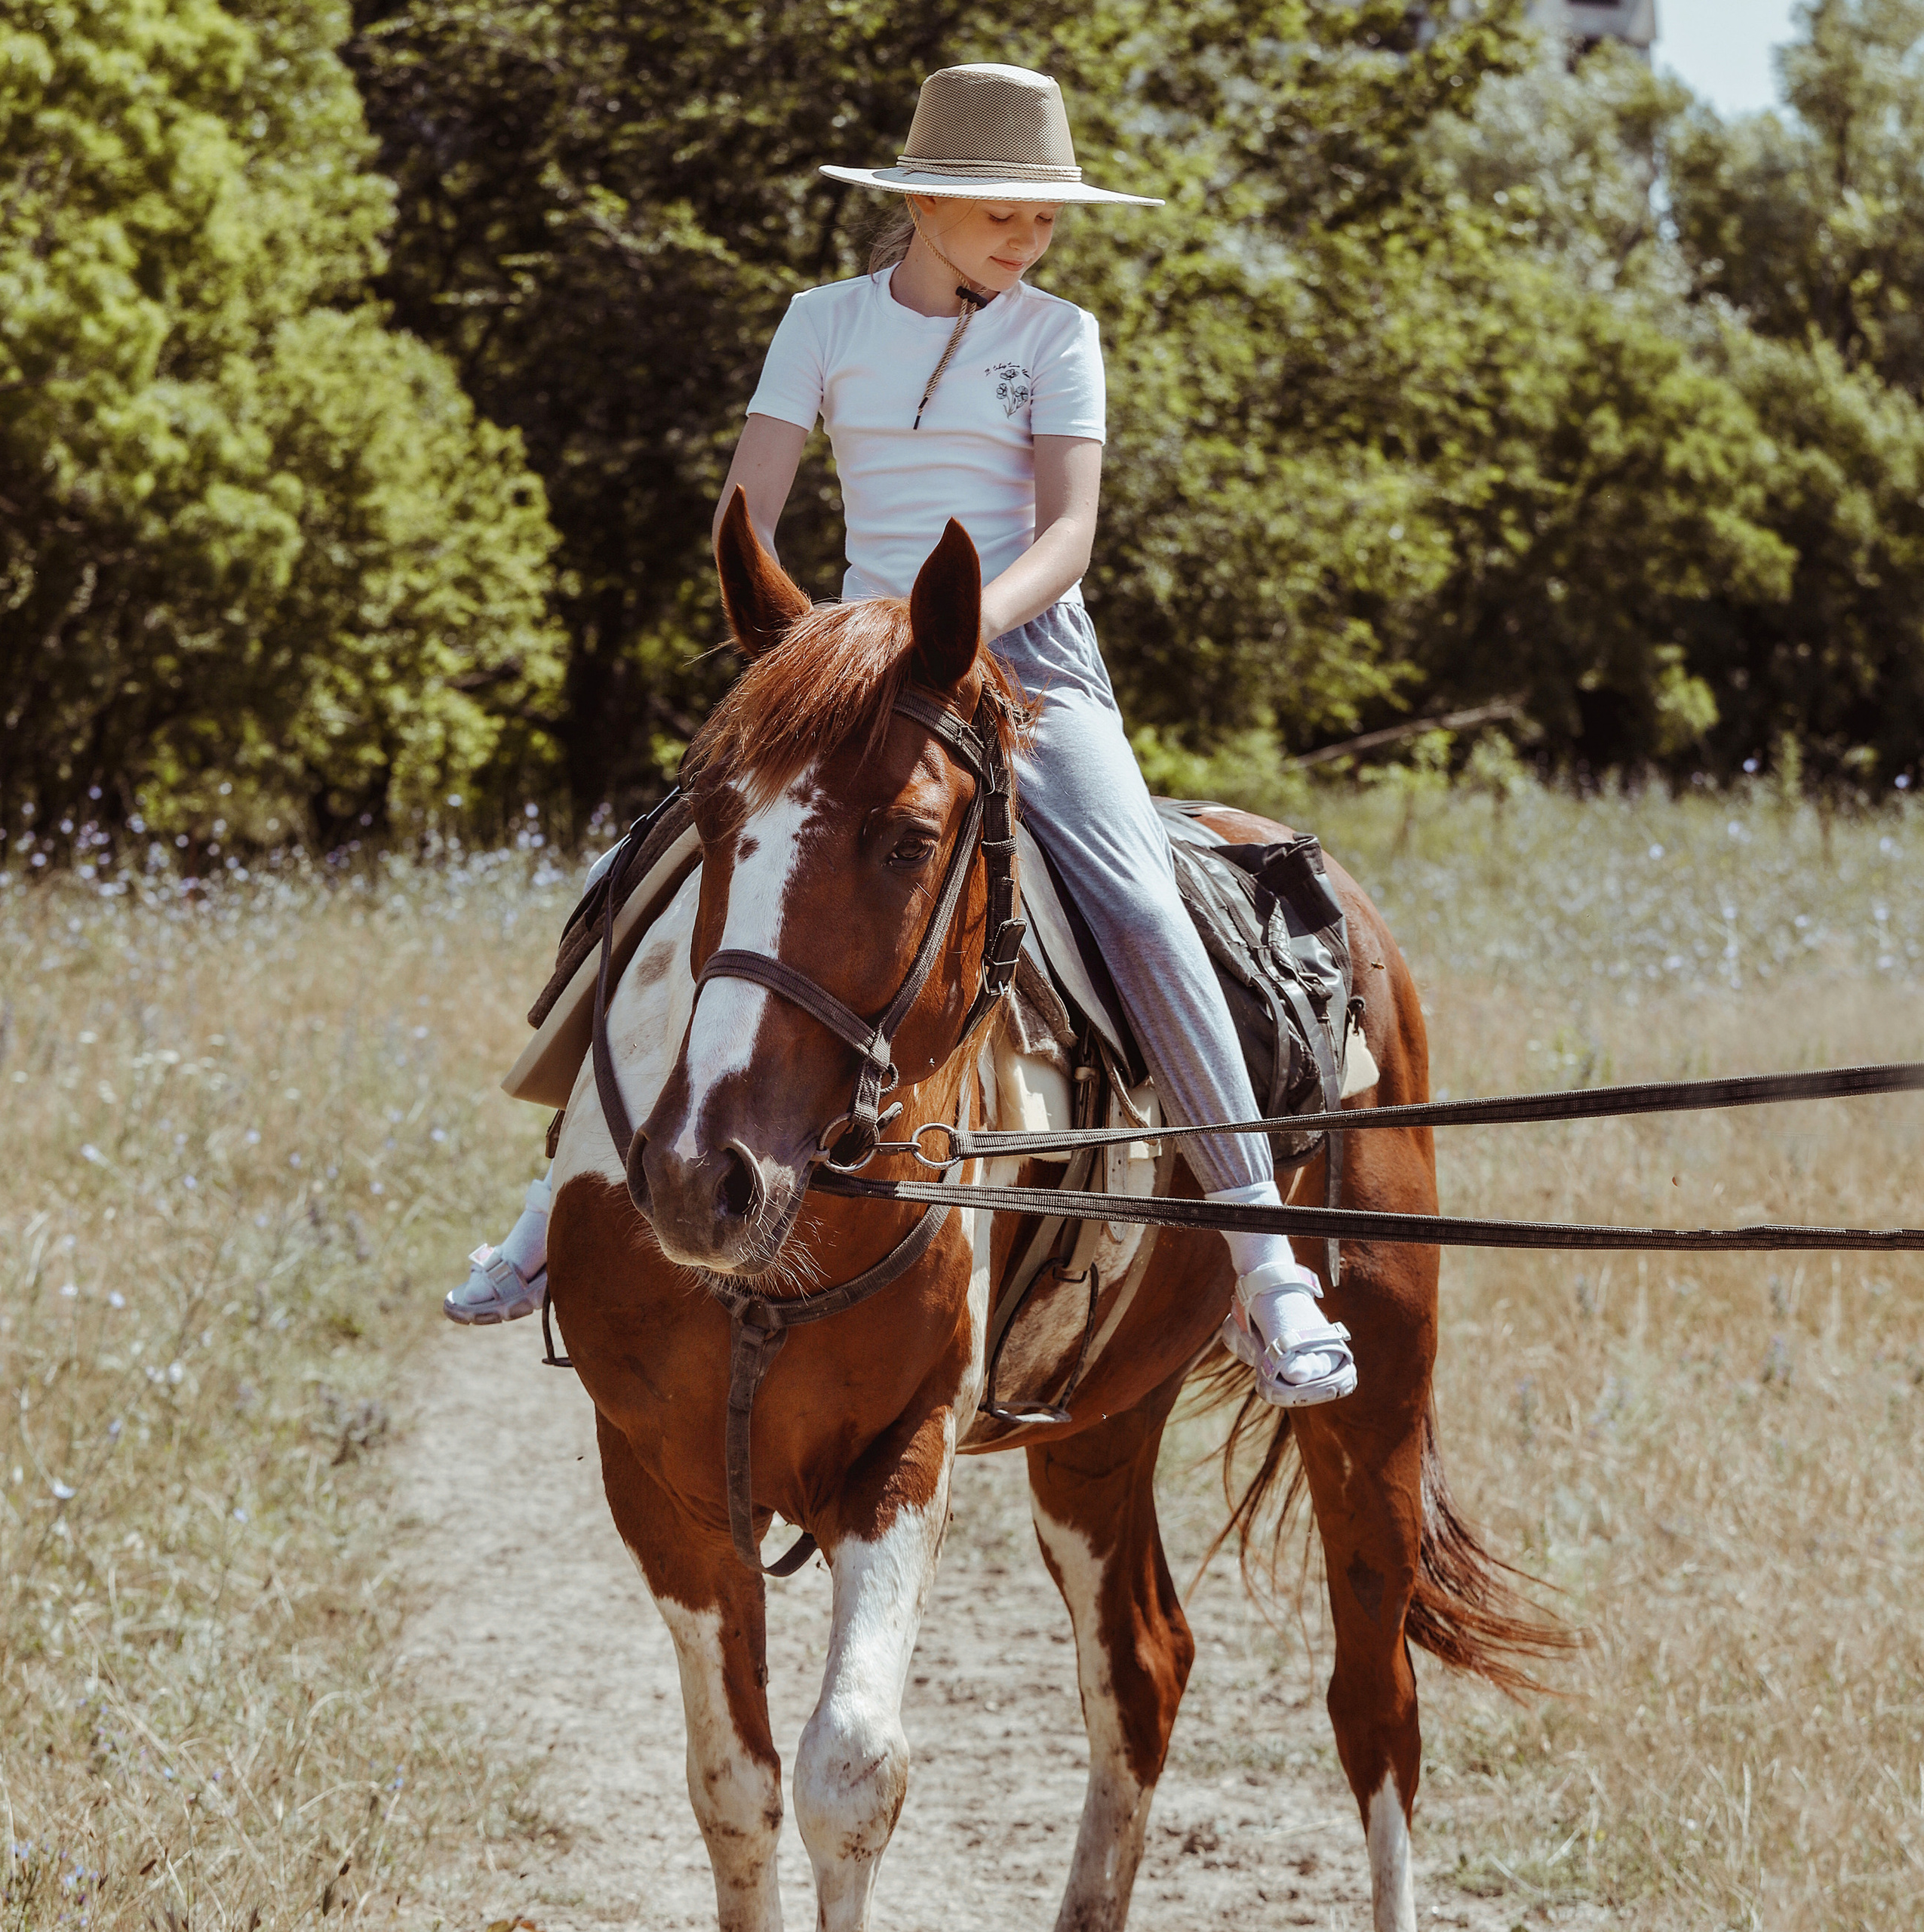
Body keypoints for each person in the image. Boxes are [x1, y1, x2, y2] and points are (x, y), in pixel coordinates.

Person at [446, 63, 1355, 1411]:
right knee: (653, 872)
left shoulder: (1059, 335)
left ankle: (1266, 1265)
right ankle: (554, 1205)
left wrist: (949, 635)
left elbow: (1070, 535)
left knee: (1147, 910)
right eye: (1003, 208)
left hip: (1021, 655)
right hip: (851, 652)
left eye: (1046, 214)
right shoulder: (820, 324)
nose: (1029, 233)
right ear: (924, 196)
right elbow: (747, 508)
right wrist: (815, 647)